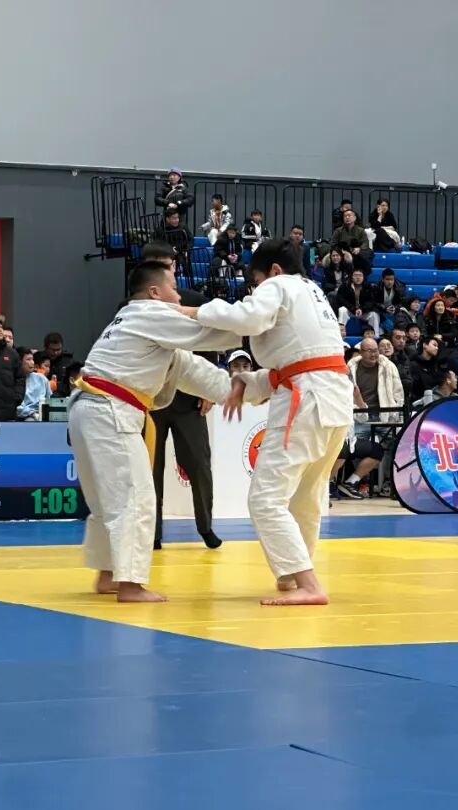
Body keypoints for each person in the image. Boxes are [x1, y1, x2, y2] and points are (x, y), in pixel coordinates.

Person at [185, 239, 353, 606]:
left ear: (274, 270)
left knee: (265, 499)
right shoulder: (314, 294)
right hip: (334, 398)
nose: (255, 290)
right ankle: (295, 573)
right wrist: (246, 384)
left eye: (256, 282)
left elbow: (248, 319)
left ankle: (308, 583)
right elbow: (297, 363)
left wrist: (196, 311)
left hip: (307, 400)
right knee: (306, 495)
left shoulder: (280, 285)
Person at [70, 260, 239, 603]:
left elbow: (197, 372)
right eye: (173, 288)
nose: (179, 297)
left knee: (108, 500)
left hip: (89, 409)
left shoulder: (137, 325)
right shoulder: (150, 313)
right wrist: (258, 320)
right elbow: (215, 333)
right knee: (135, 497)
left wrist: (253, 389)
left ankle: (108, 574)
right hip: (109, 410)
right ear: (154, 292)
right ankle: (130, 584)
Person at [151, 288, 222, 552]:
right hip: (151, 398)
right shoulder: (139, 303)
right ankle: (152, 532)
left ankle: (205, 526)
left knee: (199, 464)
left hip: (189, 399)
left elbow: (209, 343)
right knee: (149, 469)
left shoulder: (194, 301)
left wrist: (208, 390)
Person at [335, 268, 380, 333]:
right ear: (352, 277)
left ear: (363, 277)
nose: (358, 278)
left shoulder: (368, 287)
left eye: (360, 275)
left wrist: (362, 309)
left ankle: (375, 336)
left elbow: (371, 301)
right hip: (350, 310)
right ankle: (340, 333)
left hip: (363, 312)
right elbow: (341, 300)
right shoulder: (345, 286)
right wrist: (353, 309)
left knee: (374, 314)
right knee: (342, 310)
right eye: (355, 275)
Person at [17, 347, 52, 420]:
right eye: (28, 359)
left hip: (43, 414)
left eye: (32, 359)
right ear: (19, 362)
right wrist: (32, 413)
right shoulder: (13, 380)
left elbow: (49, 399)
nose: (32, 362)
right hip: (25, 416)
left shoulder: (41, 378)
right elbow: (16, 407)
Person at [408, 335, 445, 402]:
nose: (437, 348)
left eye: (437, 346)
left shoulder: (435, 365)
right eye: (434, 345)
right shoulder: (414, 364)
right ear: (425, 345)